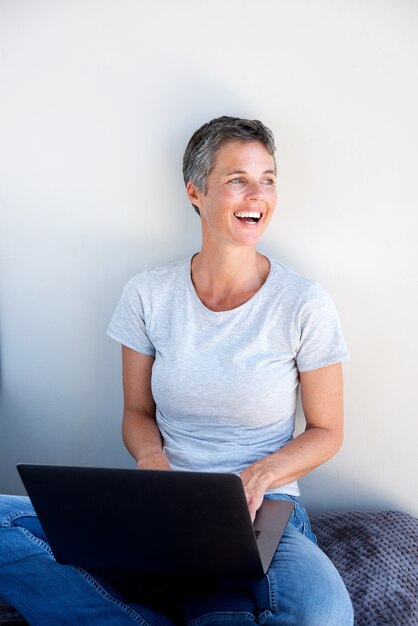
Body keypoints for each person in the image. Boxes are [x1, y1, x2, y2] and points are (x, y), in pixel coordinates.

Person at [0, 116, 354, 625]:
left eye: (268, 179)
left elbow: (327, 431)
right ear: (195, 191)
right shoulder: (148, 294)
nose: (258, 195)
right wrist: (153, 465)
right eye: (238, 179)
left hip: (266, 509)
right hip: (167, 509)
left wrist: (259, 476)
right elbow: (138, 413)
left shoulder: (303, 302)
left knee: (323, 616)